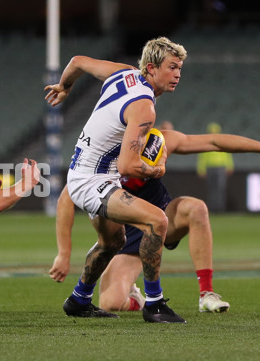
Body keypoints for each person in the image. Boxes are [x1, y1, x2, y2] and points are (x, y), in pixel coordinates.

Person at [44, 37, 187, 323]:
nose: (178, 74)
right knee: (157, 220)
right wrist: (157, 169)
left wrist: (64, 87)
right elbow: (129, 166)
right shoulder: (144, 105)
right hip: (93, 180)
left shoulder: (123, 73)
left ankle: (78, 300)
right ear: (151, 67)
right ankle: (154, 304)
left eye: (180, 68)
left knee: (113, 241)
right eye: (172, 67)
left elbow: (78, 62)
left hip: (86, 174)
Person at [49, 128, 260, 313]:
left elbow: (213, 142)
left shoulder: (156, 141)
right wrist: (63, 254)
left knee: (196, 208)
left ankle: (207, 293)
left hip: (162, 218)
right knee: (110, 302)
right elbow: (65, 201)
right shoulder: (102, 156)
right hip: (127, 236)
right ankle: (137, 298)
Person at [197, 122, 234, 212]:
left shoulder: (222, 142)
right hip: (210, 168)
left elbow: (227, 155)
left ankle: (220, 208)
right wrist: (201, 169)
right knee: (212, 189)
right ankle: (213, 208)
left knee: (220, 188)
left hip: (220, 167)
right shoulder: (205, 143)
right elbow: (202, 157)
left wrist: (230, 166)